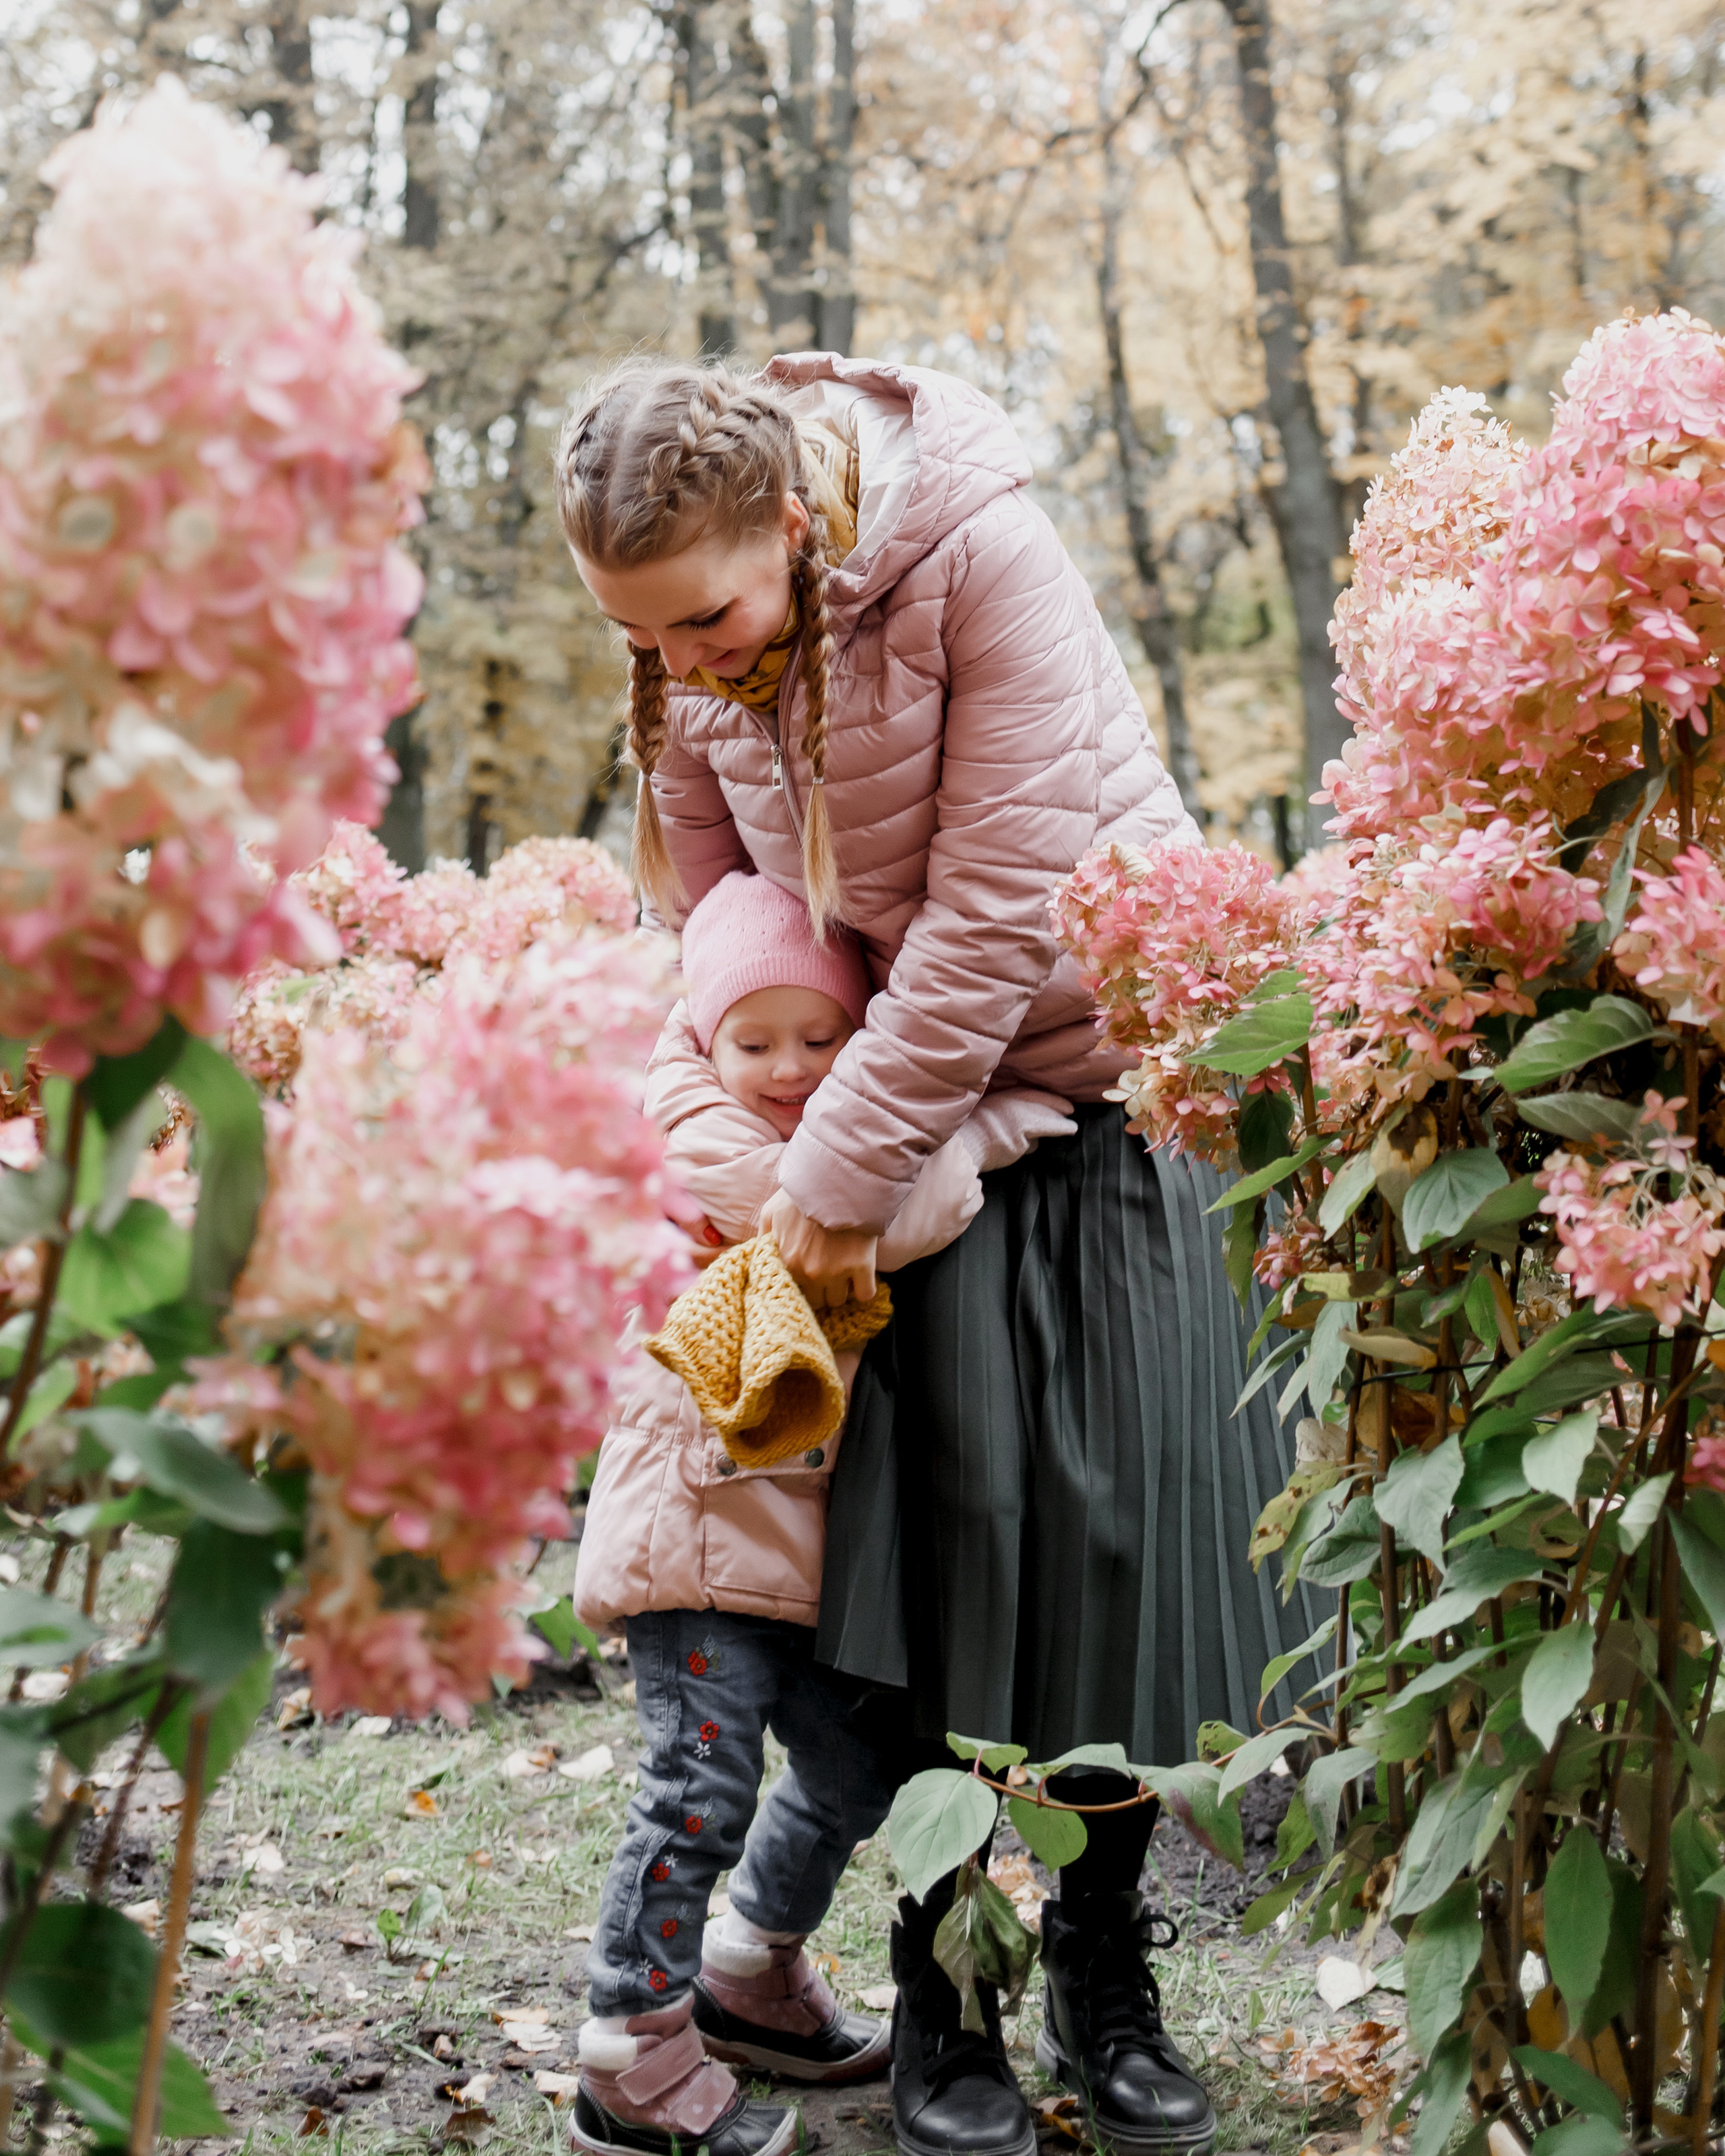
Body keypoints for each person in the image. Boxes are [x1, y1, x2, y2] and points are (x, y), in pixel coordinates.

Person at [557, 355, 1318, 2156]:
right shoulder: (691, 670)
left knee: (1112, 1560)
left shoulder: (987, 560)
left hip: (1104, 1093)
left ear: (801, 526)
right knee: (938, 1566)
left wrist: (827, 1180)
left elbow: (991, 925)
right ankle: (946, 1995)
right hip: (908, 1148)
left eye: (705, 615)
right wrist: (769, 1163)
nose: (681, 661)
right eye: (637, 633)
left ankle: (1107, 1977)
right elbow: (725, 936)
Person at [571, 867, 1070, 2156]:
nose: (788, 1068)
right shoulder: (702, 1129)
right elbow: (881, 1214)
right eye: (756, 1040)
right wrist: (981, 1127)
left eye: (820, 1037)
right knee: (699, 1784)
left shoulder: (786, 1112)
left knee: (857, 1768)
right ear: (704, 1037)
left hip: (788, 1544)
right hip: (700, 1535)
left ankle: (748, 1969)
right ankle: (629, 2056)